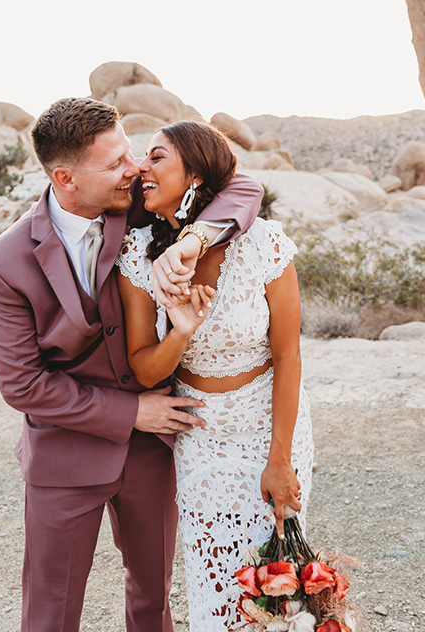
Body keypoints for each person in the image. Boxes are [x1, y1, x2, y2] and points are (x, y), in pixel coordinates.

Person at [0, 97, 263, 632]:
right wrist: (131, 412)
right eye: (114, 163)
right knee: (50, 612)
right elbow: (22, 385)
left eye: (130, 154)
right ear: (65, 177)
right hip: (65, 455)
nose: (132, 170)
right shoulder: (4, 263)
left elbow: (240, 187)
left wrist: (196, 237)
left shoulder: (130, 203)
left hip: (152, 455)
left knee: (153, 602)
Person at [116, 120, 314, 631]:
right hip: (200, 435)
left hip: (269, 423)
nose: (142, 168)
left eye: (157, 158)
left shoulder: (265, 242)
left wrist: (280, 459)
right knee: (216, 590)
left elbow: (288, 355)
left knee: (276, 586)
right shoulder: (137, 253)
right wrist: (180, 332)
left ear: (196, 176)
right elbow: (143, 364)